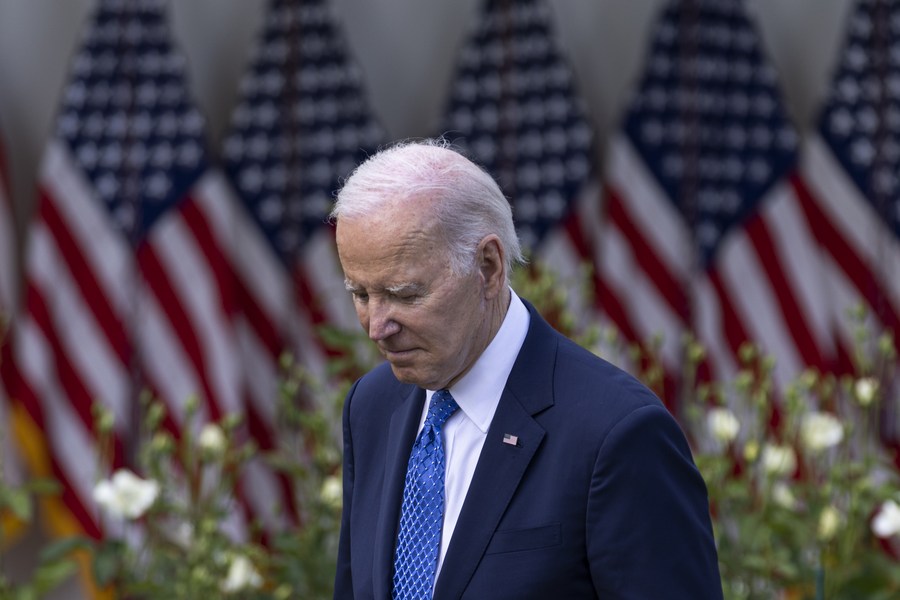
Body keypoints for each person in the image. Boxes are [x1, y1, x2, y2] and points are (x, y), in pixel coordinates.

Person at [330, 139, 723, 599]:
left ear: (488, 267)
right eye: (361, 294)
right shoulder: (371, 405)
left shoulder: (617, 435)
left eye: (404, 294)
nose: (377, 326)